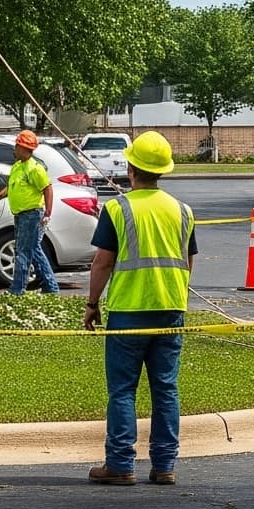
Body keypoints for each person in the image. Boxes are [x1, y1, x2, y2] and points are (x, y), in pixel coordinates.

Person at [83, 130, 196, 486]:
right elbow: (187, 261)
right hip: (171, 309)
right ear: (163, 170)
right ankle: (164, 465)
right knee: (166, 387)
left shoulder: (118, 208)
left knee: (122, 389)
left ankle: (120, 462)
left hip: (129, 312)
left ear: (131, 167)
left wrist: (91, 304)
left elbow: (102, 262)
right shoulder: (182, 210)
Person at [0, 129, 58, 295]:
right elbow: (10, 188)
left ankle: (17, 289)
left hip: (31, 214)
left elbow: (47, 189)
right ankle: (50, 287)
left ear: (24, 148)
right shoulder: (18, 167)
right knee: (34, 250)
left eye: (17, 146)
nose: (14, 149)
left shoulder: (35, 169)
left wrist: (47, 214)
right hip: (21, 215)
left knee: (22, 251)